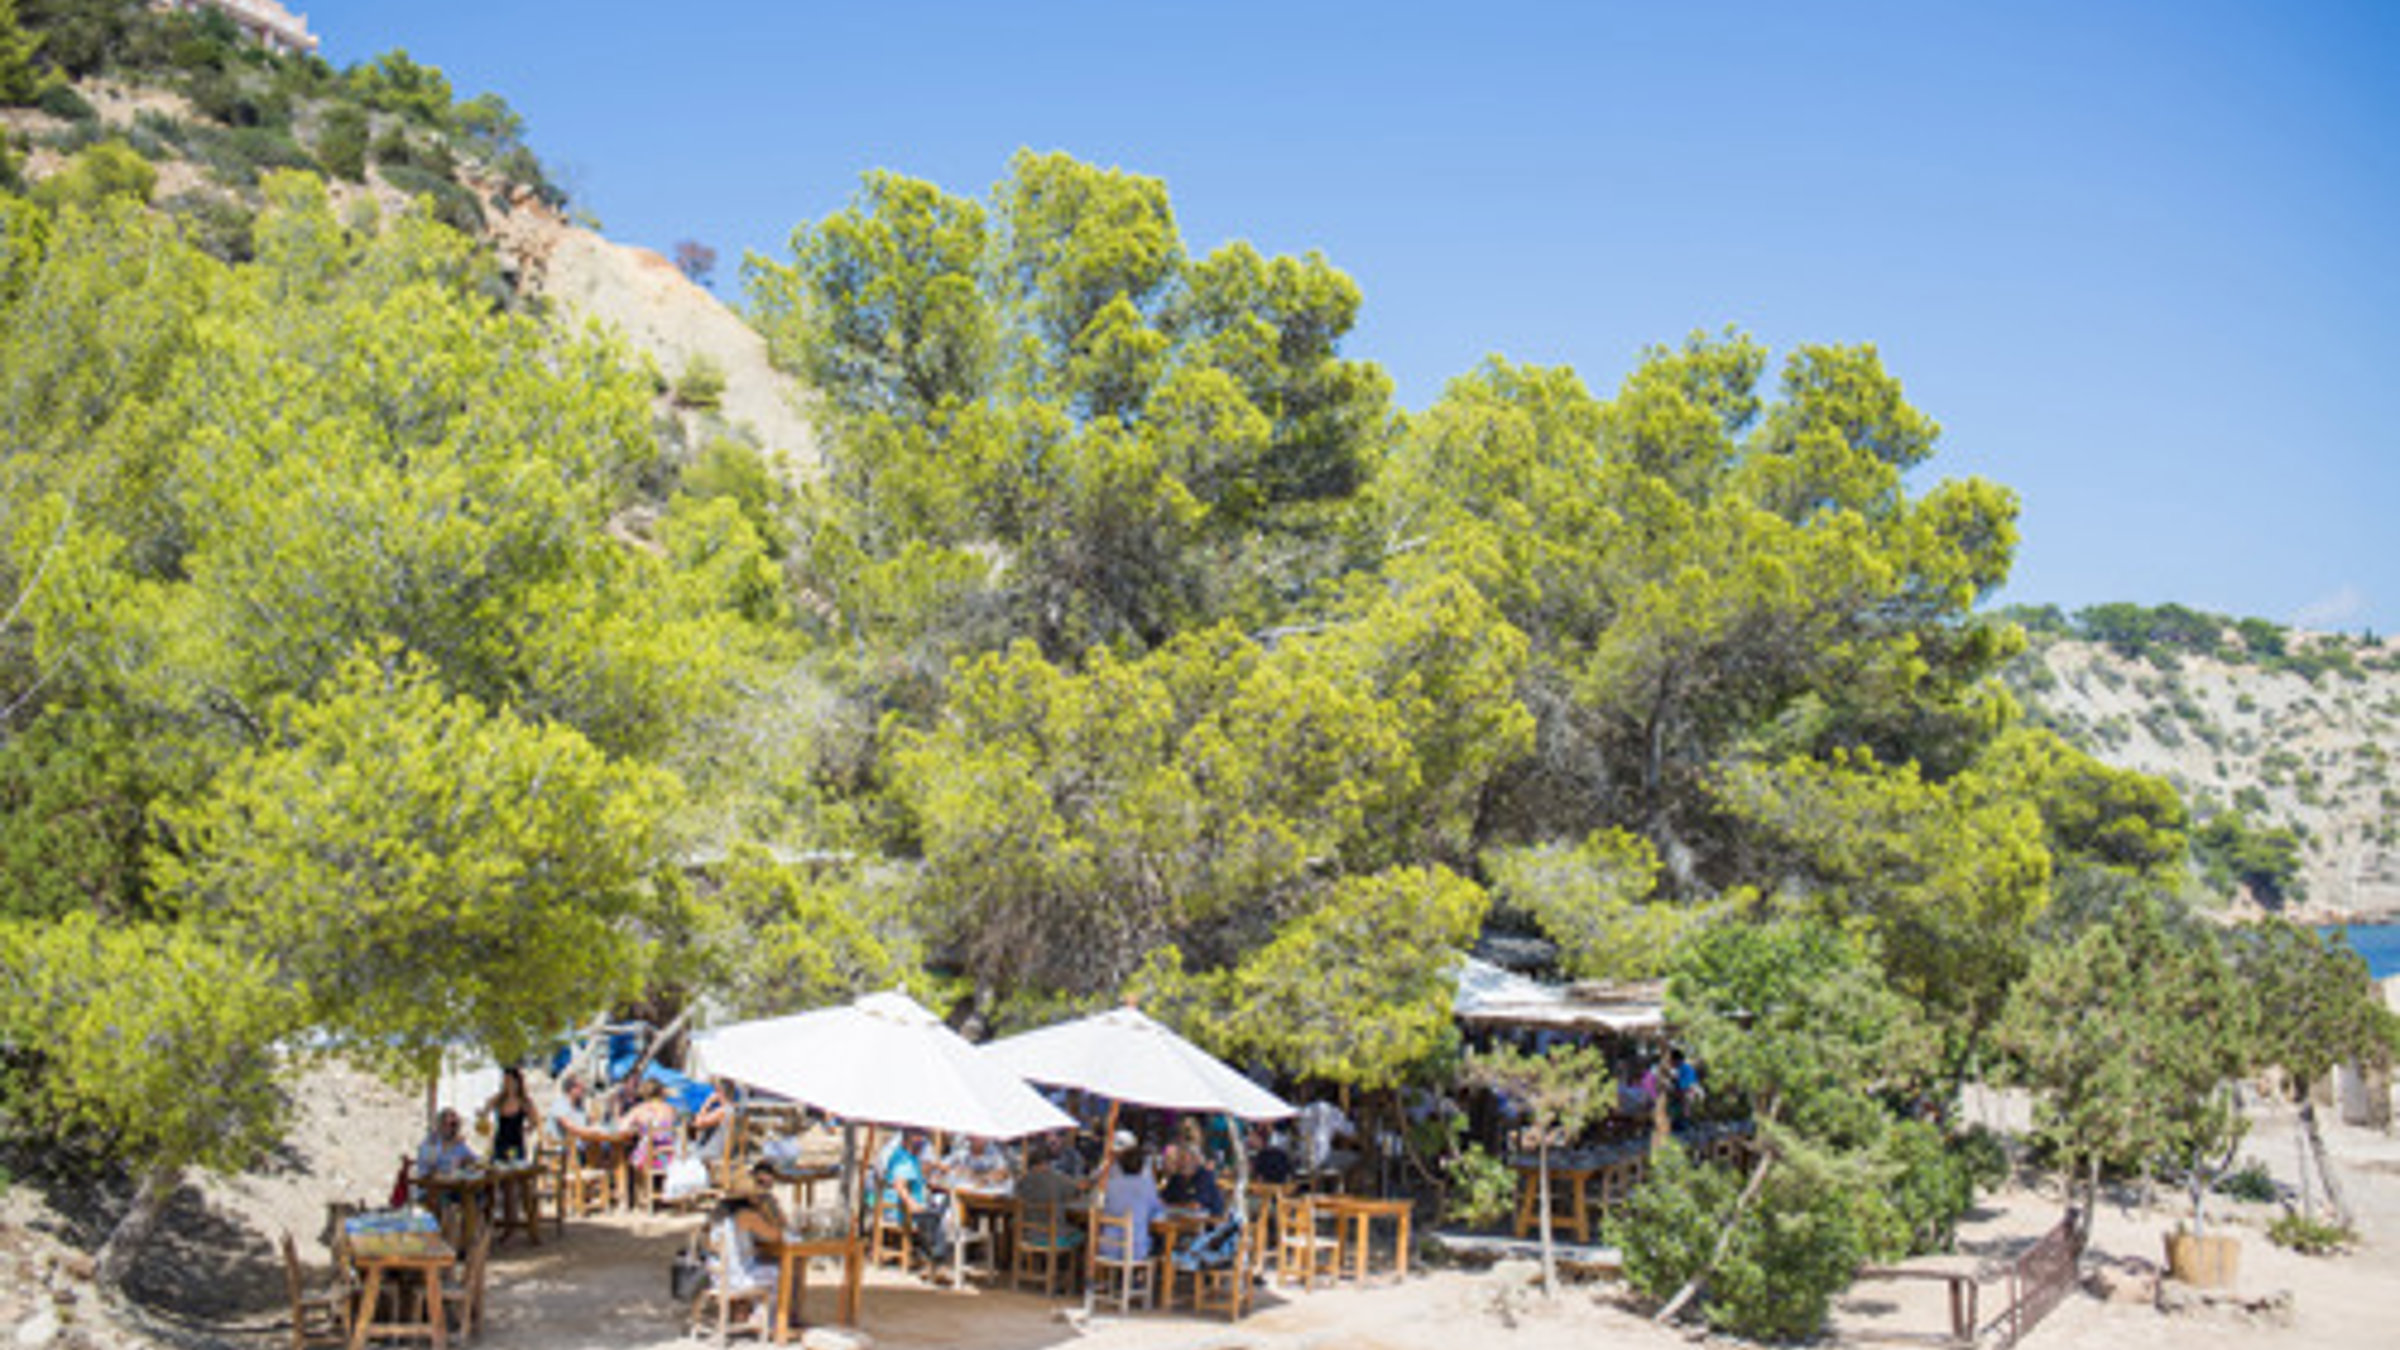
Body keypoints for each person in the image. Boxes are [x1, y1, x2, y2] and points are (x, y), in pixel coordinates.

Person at [707, 1175, 781, 1308]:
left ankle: (744, 1311)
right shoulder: (746, 1216)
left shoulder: (718, 1215)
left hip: (717, 1276)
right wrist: (772, 1211)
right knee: (780, 1272)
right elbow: (775, 1236)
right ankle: (768, 1318)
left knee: (761, 1264)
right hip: (735, 1279)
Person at [878, 1131, 952, 1263]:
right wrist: (913, 1204)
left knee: (940, 1208)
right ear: (908, 1141)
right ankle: (935, 1260)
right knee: (938, 1218)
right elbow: (899, 1185)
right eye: (918, 1142)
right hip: (900, 1210)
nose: (921, 1146)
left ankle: (930, 1256)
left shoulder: (903, 1155)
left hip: (898, 1206)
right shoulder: (904, 1160)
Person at [1098, 1136, 1167, 1262]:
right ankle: (1140, 1278)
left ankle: (1109, 1277)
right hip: (1135, 1249)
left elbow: (1104, 1206)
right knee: (1158, 1244)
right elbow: (1157, 1212)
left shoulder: (1111, 1184)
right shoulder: (1146, 1185)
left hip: (1108, 1247)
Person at [480, 1067, 542, 1165]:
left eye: (509, 1081)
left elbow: (535, 1119)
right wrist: (483, 1114)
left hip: (515, 1143)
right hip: (500, 1142)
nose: (507, 1084)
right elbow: (485, 1110)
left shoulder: (524, 1101)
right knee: (497, 1170)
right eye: (505, 1081)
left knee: (515, 1171)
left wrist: (528, 1128)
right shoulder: (499, 1099)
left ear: (517, 1082)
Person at [1161, 1143, 1226, 1217]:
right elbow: (1162, 1200)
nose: (1181, 1162)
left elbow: (1195, 1205)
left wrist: (1171, 1205)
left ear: (1196, 1160)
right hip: (1181, 1221)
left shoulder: (1205, 1176)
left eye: (1184, 1158)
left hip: (1208, 1225)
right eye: (1180, 1158)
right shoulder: (1176, 1178)